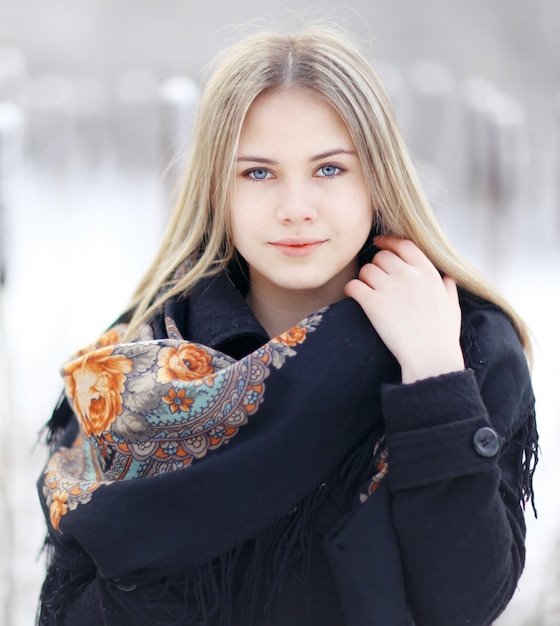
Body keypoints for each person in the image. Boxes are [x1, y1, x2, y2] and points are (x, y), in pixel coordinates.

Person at [36, 25, 538, 626]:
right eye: (258, 173)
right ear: (218, 190)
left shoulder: (465, 344)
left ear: (376, 177)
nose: (295, 206)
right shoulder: (138, 365)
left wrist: (432, 378)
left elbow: (464, 601)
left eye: (329, 170)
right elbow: (72, 607)